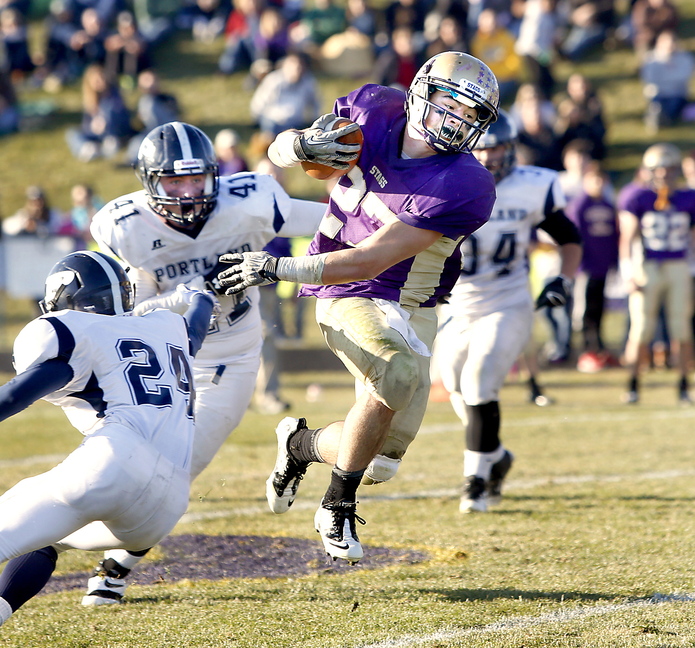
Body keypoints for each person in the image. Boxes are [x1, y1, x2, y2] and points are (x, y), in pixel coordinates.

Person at [218, 52, 500, 563]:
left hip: (409, 302)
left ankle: (300, 445)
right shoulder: (374, 110)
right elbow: (293, 154)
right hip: (345, 289)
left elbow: (373, 257)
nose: (456, 121)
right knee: (395, 372)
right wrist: (297, 144)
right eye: (449, 104)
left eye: (469, 116)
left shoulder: (467, 183)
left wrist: (276, 268)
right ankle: (335, 503)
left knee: (379, 462)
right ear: (421, 93)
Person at [82, 121, 327, 604]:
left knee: (176, 473)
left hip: (229, 358)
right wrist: (189, 296)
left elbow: (337, 219)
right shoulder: (123, 228)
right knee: (122, 464)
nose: (189, 192)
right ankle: (63, 533)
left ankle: (114, 565)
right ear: (150, 182)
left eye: (196, 179)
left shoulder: (251, 201)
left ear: (214, 175)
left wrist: (401, 221)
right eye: (174, 181)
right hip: (159, 357)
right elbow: (130, 311)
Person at [0, 250, 215, 623]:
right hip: (164, 507)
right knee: (47, 536)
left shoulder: (76, 331)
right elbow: (195, 328)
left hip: (115, 459)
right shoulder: (165, 326)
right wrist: (201, 298)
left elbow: (16, 395)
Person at [433, 111, 581, 513]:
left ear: (512, 146)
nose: (488, 154)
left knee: (480, 380)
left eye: (496, 145)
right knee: (456, 385)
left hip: (509, 299)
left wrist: (563, 280)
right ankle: (495, 456)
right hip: (458, 303)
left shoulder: (534, 185)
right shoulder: (445, 180)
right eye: (480, 145)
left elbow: (568, 237)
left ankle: (476, 483)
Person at [619, 143, 695, 404]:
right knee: (641, 329)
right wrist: (628, 272)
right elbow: (627, 238)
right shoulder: (637, 197)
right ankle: (633, 384)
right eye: (658, 169)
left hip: (678, 266)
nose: (663, 174)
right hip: (647, 266)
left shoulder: (688, 197)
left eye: (669, 168)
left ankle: (684, 385)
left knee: (681, 328)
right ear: (649, 170)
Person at [567, 160, 619, 373]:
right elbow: (574, 236)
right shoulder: (580, 205)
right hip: (585, 268)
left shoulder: (607, 205)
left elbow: (615, 236)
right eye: (593, 179)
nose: (598, 183)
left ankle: (599, 349)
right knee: (584, 311)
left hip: (602, 266)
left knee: (599, 309)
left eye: (601, 179)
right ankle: (585, 351)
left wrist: (614, 262)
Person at [640, 30, 694, 133]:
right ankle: (659, 117)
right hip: (658, 94)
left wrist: (668, 75)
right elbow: (650, 79)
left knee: (675, 104)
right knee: (659, 106)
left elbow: (684, 76)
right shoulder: (650, 59)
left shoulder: (685, 58)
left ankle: (663, 118)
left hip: (678, 94)